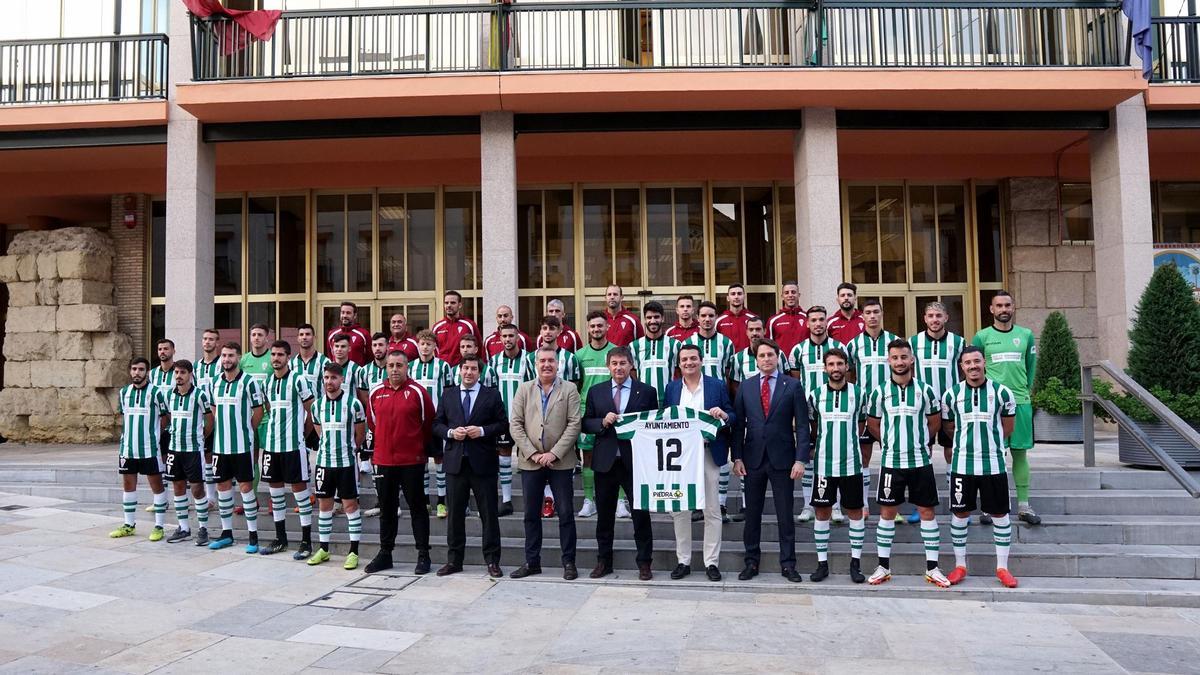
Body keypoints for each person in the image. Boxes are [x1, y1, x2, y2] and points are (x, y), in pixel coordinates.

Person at [865, 339, 949, 588]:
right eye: (895, 358)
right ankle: (883, 567)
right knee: (887, 513)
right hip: (891, 462)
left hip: (920, 462)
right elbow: (873, 424)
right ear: (888, 361)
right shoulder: (879, 392)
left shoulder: (926, 390)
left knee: (927, 512)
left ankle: (932, 568)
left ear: (912, 359)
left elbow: (934, 422)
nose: (899, 362)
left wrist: (921, 442)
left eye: (904, 357)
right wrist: (890, 443)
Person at [731, 338, 809, 582]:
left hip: (783, 459)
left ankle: (788, 564)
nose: (766, 359)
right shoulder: (746, 386)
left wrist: (801, 459)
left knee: (785, 515)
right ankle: (751, 562)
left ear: (778, 358)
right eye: (762, 355)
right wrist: (737, 457)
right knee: (752, 514)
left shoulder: (793, 385)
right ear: (756, 360)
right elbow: (738, 425)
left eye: (770, 355)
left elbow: (804, 425)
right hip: (753, 458)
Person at [942, 347, 1019, 588]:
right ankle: (960, 565)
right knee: (960, 513)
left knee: (999, 514)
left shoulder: (1002, 393)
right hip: (962, 465)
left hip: (993, 464)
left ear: (984, 362)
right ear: (961, 366)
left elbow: (1008, 427)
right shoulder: (951, 395)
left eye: (977, 361)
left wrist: (992, 444)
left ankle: (1003, 567)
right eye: (967, 363)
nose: (973, 366)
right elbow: (949, 427)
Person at [582, 347, 659, 580]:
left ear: (631, 365)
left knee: (640, 515)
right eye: (614, 363)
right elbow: (586, 423)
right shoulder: (597, 392)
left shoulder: (646, 391)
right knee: (604, 517)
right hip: (605, 462)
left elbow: (653, 424)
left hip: (635, 462)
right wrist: (601, 423)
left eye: (623, 363)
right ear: (608, 366)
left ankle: (644, 563)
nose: (618, 368)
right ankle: (604, 562)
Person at [509, 345, 583, 580]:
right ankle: (532, 562)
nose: (547, 364)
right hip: (531, 462)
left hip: (560, 462)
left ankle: (569, 562)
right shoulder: (524, 389)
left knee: (565, 513)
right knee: (531, 514)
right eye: (542, 361)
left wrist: (554, 453)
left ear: (558, 364)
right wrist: (533, 453)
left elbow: (574, 423)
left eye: (551, 360)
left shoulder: (569, 389)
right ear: (536, 363)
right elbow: (516, 425)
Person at [663, 344, 735, 581]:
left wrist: (723, 416)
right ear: (679, 363)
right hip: (680, 457)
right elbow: (665, 421)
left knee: (712, 509)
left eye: (693, 358)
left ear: (701, 361)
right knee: (680, 509)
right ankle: (683, 560)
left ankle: (711, 562)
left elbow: (732, 414)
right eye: (684, 359)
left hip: (707, 452)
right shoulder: (672, 388)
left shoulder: (716, 385)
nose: (689, 362)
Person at [433, 355, 507, 577]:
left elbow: (503, 424)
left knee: (489, 514)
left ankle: (493, 560)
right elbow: (437, 424)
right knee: (455, 515)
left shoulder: (491, 395)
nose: (468, 373)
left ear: (479, 372)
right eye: (465, 368)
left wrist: (482, 431)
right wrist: (450, 433)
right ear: (459, 371)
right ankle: (454, 561)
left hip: (483, 463)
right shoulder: (448, 395)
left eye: (473, 369)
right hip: (455, 463)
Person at [971, 290, 1040, 525]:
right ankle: (990, 507)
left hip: (1019, 401)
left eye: (1007, 305)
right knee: (993, 455)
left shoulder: (1026, 335)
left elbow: (1031, 367)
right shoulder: (981, 336)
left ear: (1013, 307)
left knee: (1019, 453)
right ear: (991, 309)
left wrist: (1024, 391)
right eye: (998, 305)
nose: (1003, 309)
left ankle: (1023, 505)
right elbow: (976, 367)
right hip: (992, 404)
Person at [367, 350, 436, 575]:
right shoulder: (376, 393)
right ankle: (385, 553)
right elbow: (373, 424)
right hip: (384, 461)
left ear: (407, 367)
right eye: (390, 365)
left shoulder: (417, 392)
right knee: (386, 510)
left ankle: (423, 554)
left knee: (418, 508)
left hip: (412, 461)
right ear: (385, 368)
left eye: (399, 365)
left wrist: (416, 448)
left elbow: (428, 423)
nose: (394, 369)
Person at [806, 348, 867, 583]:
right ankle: (822, 564)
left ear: (847, 367)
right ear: (825, 368)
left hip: (851, 465)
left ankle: (855, 563)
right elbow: (812, 426)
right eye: (831, 364)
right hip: (823, 465)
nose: (835, 368)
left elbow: (862, 424)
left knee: (854, 512)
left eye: (839, 364)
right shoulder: (815, 395)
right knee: (822, 513)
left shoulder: (859, 394)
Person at [788, 306, 847, 525]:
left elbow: (845, 375)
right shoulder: (798, 350)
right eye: (813, 320)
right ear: (807, 323)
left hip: (835, 408)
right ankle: (808, 506)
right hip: (808, 410)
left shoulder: (838, 347)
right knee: (808, 456)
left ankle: (836, 506)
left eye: (822, 319)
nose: (818, 324)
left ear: (826, 322)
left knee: (835, 457)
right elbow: (795, 381)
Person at [307, 363, 368, 570]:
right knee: (324, 506)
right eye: (326, 378)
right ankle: (323, 549)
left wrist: (351, 449)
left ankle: (353, 551)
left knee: (350, 506)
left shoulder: (354, 404)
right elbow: (319, 432)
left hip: (347, 464)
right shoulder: (317, 405)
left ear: (341, 379)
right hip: (324, 463)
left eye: (333, 378)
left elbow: (360, 434)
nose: (329, 382)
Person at [259, 340, 316, 558]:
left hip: (294, 446)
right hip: (272, 446)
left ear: (288, 357)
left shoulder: (298, 379)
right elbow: (268, 409)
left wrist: (303, 432)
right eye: (273, 354)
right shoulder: (267, 382)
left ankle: (305, 541)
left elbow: (312, 409)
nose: (276, 358)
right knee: (276, 493)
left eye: (280, 355)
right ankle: (280, 539)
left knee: (300, 493)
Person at [208, 342, 266, 553]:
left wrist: (246, 430)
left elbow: (259, 411)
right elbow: (213, 408)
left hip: (243, 446)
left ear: (239, 358)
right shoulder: (215, 382)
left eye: (230, 356)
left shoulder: (249, 382)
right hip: (220, 448)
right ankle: (226, 534)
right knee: (222, 488)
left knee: (246, 489)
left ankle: (253, 536)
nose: (226, 360)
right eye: (223, 356)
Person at [845, 298, 899, 522]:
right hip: (866, 409)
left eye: (876, 312)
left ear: (882, 313)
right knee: (864, 456)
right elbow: (849, 376)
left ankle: (892, 504)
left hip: (892, 408)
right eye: (868, 312)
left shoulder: (894, 341)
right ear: (862, 316)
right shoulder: (853, 344)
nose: (873, 316)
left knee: (892, 456)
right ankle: (865, 504)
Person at [526, 314, 581, 519]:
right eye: (544, 328)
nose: (548, 332)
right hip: (536, 422)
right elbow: (527, 388)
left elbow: (576, 385)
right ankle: (547, 500)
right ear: (540, 332)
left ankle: (554, 499)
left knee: (560, 468)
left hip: (562, 419)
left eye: (552, 328)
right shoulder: (530, 358)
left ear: (560, 331)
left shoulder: (570, 358)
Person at [684, 301, 736, 521]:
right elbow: (684, 367)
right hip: (692, 398)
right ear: (697, 318)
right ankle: (696, 504)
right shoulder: (689, 342)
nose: (707, 319)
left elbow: (728, 372)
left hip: (715, 400)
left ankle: (719, 504)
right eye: (703, 315)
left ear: (716, 318)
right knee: (694, 455)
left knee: (717, 456)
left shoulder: (726, 342)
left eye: (711, 315)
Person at [110, 357, 170, 542]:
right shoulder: (124, 393)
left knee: (157, 487)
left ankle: (159, 526)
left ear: (147, 372)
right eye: (134, 369)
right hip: (127, 448)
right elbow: (123, 416)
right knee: (128, 486)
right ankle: (129, 524)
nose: (137, 372)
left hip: (149, 449)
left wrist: (156, 437)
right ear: (130, 371)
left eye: (141, 369)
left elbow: (165, 417)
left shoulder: (156, 392)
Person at [910, 301, 966, 492]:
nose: (935, 319)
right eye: (931, 316)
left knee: (951, 449)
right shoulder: (913, 342)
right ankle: (925, 494)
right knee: (925, 450)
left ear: (946, 318)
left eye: (938, 316)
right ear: (924, 318)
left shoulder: (958, 342)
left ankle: (954, 494)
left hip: (949, 405)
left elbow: (966, 370)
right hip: (923, 406)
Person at [162, 359, 214, 546]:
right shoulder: (170, 395)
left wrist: (200, 437)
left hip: (193, 449)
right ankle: (183, 528)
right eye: (176, 372)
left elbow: (209, 420)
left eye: (183, 373)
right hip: (175, 449)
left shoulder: (199, 395)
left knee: (198, 489)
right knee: (177, 487)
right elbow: (168, 417)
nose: (179, 376)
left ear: (190, 374)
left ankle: (203, 529)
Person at [483, 324, 532, 516]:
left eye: (511, 335)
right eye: (504, 336)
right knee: (503, 457)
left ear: (518, 337)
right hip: (502, 419)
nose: (507, 339)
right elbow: (489, 391)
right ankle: (506, 500)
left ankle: (532, 500)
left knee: (529, 457)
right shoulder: (494, 361)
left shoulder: (529, 359)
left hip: (525, 417)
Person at [575, 310, 617, 519]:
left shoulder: (617, 352)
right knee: (588, 458)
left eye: (600, 325)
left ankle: (620, 502)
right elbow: (577, 386)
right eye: (592, 326)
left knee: (618, 456)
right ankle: (589, 500)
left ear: (607, 327)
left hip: (614, 413)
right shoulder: (580, 355)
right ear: (588, 329)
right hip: (588, 414)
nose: (596, 329)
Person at [409, 329, 453, 518]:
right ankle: (425, 500)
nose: (425, 347)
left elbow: (450, 394)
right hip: (417, 421)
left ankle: (442, 501)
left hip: (437, 421)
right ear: (417, 345)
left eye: (429, 344)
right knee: (421, 461)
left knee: (439, 459)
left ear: (435, 346)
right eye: (422, 344)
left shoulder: (443, 367)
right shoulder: (410, 367)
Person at [629, 301, 679, 406]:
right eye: (649, 317)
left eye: (656, 317)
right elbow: (633, 375)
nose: (653, 321)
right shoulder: (634, 346)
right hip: (643, 400)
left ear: (663, 318)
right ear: (644, 320)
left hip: (668, 399)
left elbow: (680, 373)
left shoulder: (675, 344)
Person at [355, 332, 390, 475]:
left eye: (381, 345)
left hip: (391, 415)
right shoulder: (364, 371)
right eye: (374, 345)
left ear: (388, 346)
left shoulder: (394, 367)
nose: (377, 348)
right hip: (373, 415)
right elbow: (363, 394)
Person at [195, 329, 223, 512]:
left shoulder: (222, 363)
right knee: (206, 456)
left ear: (217, 343)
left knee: (216, 456)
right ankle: (209, 496)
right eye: (205, 339)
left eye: (211, 339)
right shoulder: (196, 366)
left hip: (219, 415)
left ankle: (216, 496)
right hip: (201, 416)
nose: (207, 342)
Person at [433, 290, 481, 366]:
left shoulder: (469, 325)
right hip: (442, 369)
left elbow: (479, 348)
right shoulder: (437, 327)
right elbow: (435, 350)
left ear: (460, 305)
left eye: (453, 303)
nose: (449, 305)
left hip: (462, 369)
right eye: (446, 303)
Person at [768, 281, 810, 356]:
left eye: (793, 292)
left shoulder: (808, 318)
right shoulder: (773, 321)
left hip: (803, 364)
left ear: (799, 295)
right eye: (786, 293)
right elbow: (769, 346)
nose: (790, 295)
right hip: (782, 365)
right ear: (782, 296)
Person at [716, 283, 761, 353]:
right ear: (728, 298)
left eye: (739, 294)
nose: (736, 297)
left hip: (748, 360)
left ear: (744, 296)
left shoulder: (754, 319)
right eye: (733, 294)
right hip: (727, 362)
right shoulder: (719, 321)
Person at [325, 301, 372, 365]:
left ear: (355, 315)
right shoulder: (332, 334)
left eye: (348, 313)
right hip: (337, 373)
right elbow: (330, 356)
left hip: (356, 373)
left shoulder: (364, 334)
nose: (344, 315)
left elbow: (370, 357)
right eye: (342, 312)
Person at [329, 333, 362, 397]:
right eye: (337, 346)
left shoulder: (357, 370)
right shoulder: (327, 369)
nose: (339, 349)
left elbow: (361, 394)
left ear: (349, 348)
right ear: (332, 348)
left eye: (343, 346)